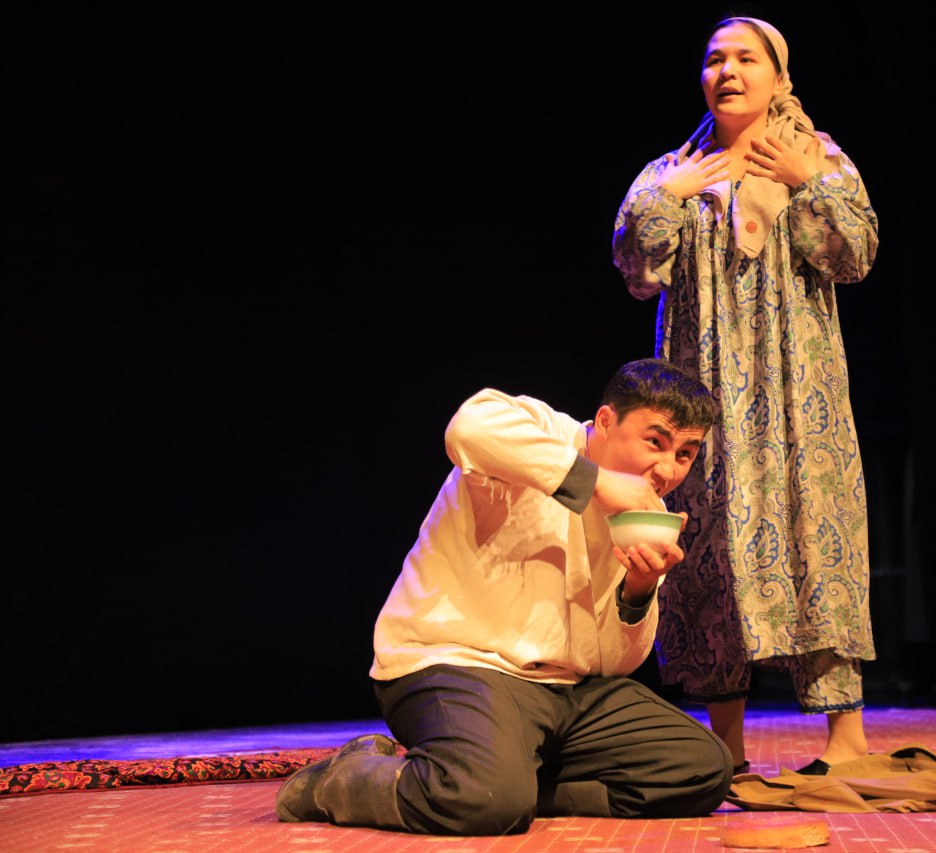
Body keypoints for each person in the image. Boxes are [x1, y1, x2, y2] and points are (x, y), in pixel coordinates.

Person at [274, 358, 732, 835]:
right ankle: (339, 781)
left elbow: (617, 664)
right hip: (456, 664)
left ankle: (513, 787)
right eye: (655, 442)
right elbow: (468, 428)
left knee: (701, 768)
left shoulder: (645, 514)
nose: (667, 470)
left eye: (685, 454)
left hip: (566, 690)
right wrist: (595, 482)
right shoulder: (544, 437)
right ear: (605, 421)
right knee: (482, 800)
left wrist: (638, 591)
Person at [612, 17, 879, 776]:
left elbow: (855, 254)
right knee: (712, 541)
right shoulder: (675, 169)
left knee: (815, 530)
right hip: (705, 389)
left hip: (798, 386)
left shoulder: (818, 156)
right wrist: (669, 199)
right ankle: (725, 741)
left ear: (778, 76)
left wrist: (804, 182)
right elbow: (636, 268)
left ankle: (847, 738)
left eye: (745, 58)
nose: (727, 71)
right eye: (714, 60)